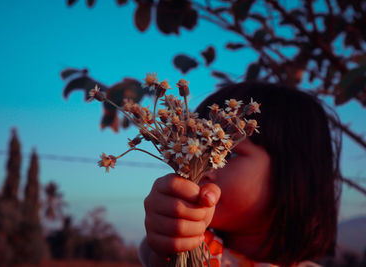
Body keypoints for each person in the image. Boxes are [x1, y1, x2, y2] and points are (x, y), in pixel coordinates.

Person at [139, 82, 342, 267]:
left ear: (298, 173)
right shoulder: (194, 249)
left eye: (230, 152)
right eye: (196, 151)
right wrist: (167, 241)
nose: (200, 168)